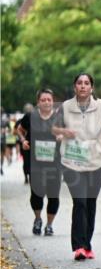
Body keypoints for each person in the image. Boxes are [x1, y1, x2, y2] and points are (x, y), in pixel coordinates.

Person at [51, 74, 101, 260]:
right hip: (72, 161)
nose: (83, 86)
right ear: (74, 87)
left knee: (90, 203)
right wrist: (63, 131)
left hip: (96, 161)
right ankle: (78, 247)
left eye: (86, 83)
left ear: (92, 87)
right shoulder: (66, 107)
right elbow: (54, 128)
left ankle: (87, 244)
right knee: (80, 202)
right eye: (79, 83)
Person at [16, 91, 62, 236]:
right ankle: (37, 219)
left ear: (52, 101)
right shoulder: (30, 117)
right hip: (35, 162)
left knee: (53, 195)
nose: (46, 102)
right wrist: (23, 141)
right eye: (43, 100)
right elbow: (19, 130)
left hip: (54, 163)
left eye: (49, 99)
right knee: (36, 194)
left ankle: (49, 225)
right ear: (38, 102)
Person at [18, 103, 33, 183]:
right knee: (26, 162)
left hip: (47, 152)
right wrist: (23, 139)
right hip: (27, 146)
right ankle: (27, 177)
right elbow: (18, 129)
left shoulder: (54, 117)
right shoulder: (27, 117)